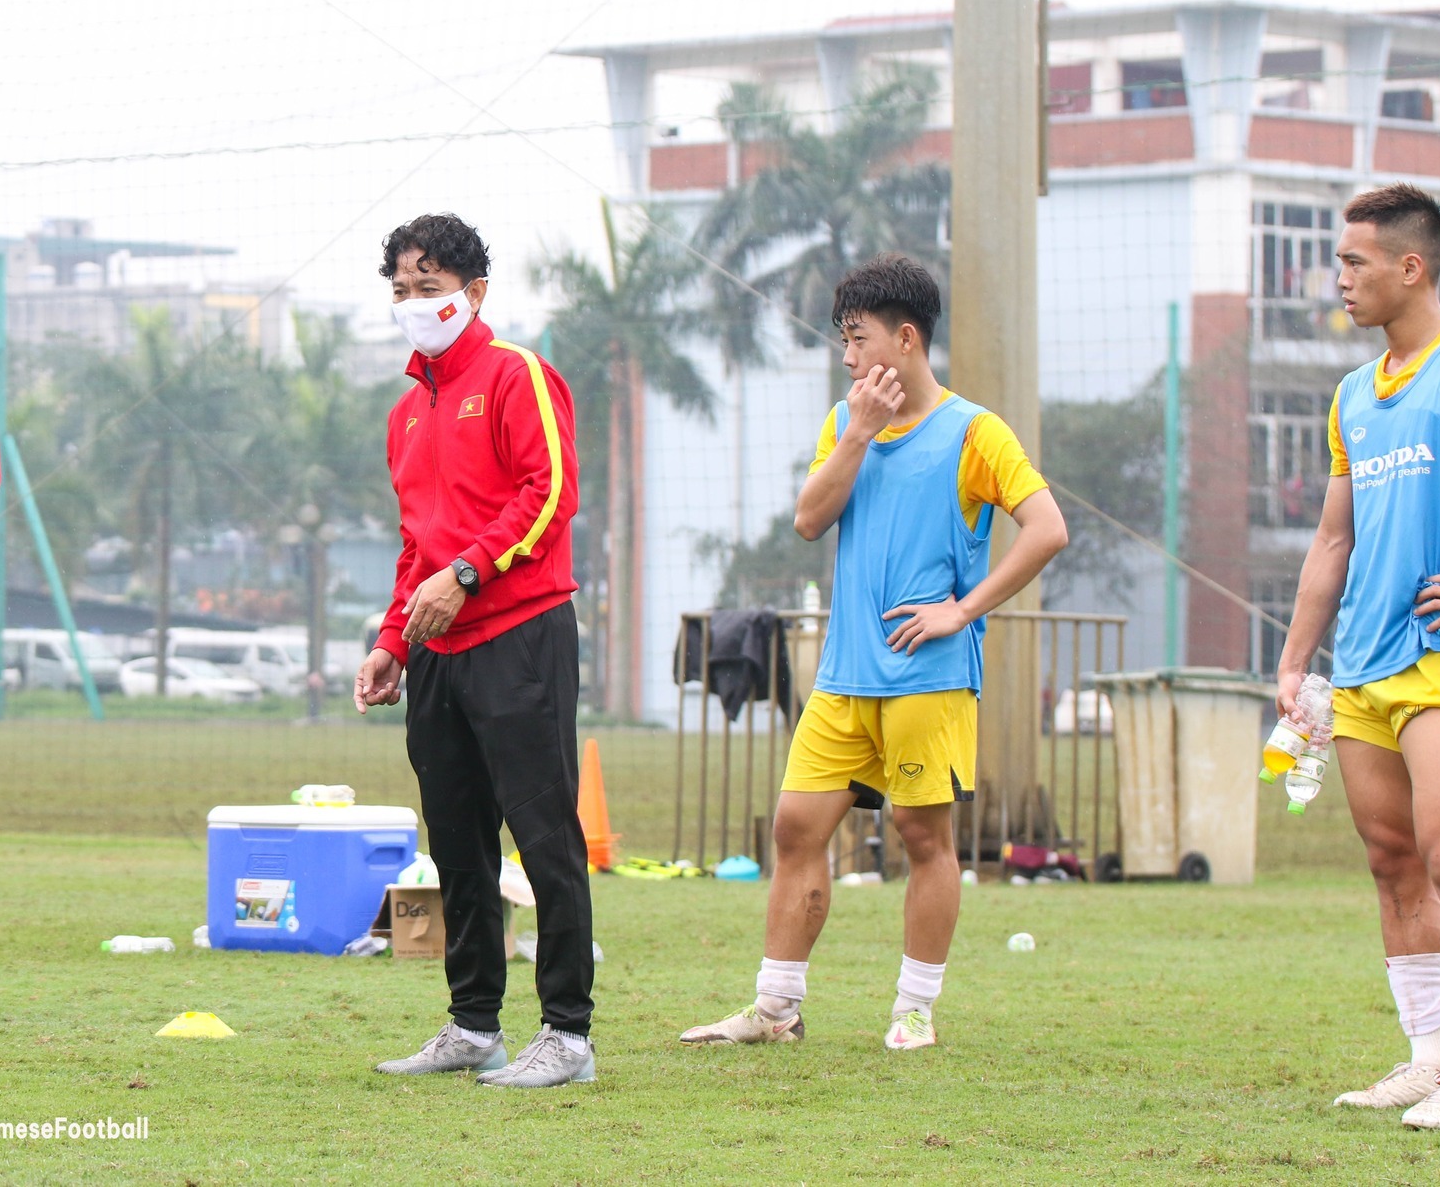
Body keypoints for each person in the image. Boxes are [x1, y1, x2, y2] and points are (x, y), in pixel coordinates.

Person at [680, 253, 1066, 1053]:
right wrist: (857, 431)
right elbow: (809, 520)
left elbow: (1047, 528)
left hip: (929, 678)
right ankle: (776, 1007)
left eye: (859, 339)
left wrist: (962, 609)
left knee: (922, 837)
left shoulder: (975, 432)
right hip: (844, 676)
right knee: (795, 828)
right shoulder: (843, 421)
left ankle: (914, 1009)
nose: (849, 356)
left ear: (907, 338)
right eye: (843, 340)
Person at [355, 213, 595, 1088]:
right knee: (457, 843)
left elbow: (551, 492)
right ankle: (473, 1024)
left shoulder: (516, 375)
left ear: (475, 291)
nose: (415, 304)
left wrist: (466, 572)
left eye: (431, 287)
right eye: (402, 290)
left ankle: (568, 1034)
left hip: (519, 635)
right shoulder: (404, 413)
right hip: (437, 654)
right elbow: (414, 545)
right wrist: (393, 641)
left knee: (544, 834)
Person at [1275, 183, 1440, 1129]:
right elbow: (1332, 540)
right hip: (1362, 667)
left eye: (1354, 262)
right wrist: (1294, 660)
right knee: (1392, 859)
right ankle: (1431, 1059)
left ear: (1411, 266)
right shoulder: (1353, 395)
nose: (1339, 279)